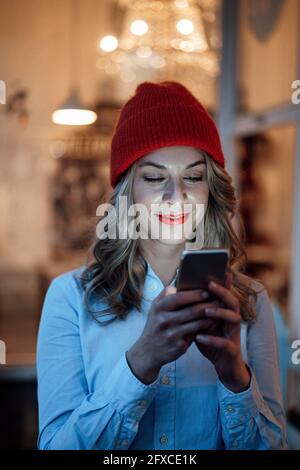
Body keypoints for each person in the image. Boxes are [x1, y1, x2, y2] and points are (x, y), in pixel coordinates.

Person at [36, 81, 288, 450]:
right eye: (155, 178)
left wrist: (236, 378)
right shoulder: (70, 299)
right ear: (128, 192)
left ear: (210, 190)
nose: (176, 196)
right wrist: (142, 360)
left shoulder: (250, 302)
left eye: (193, 176)